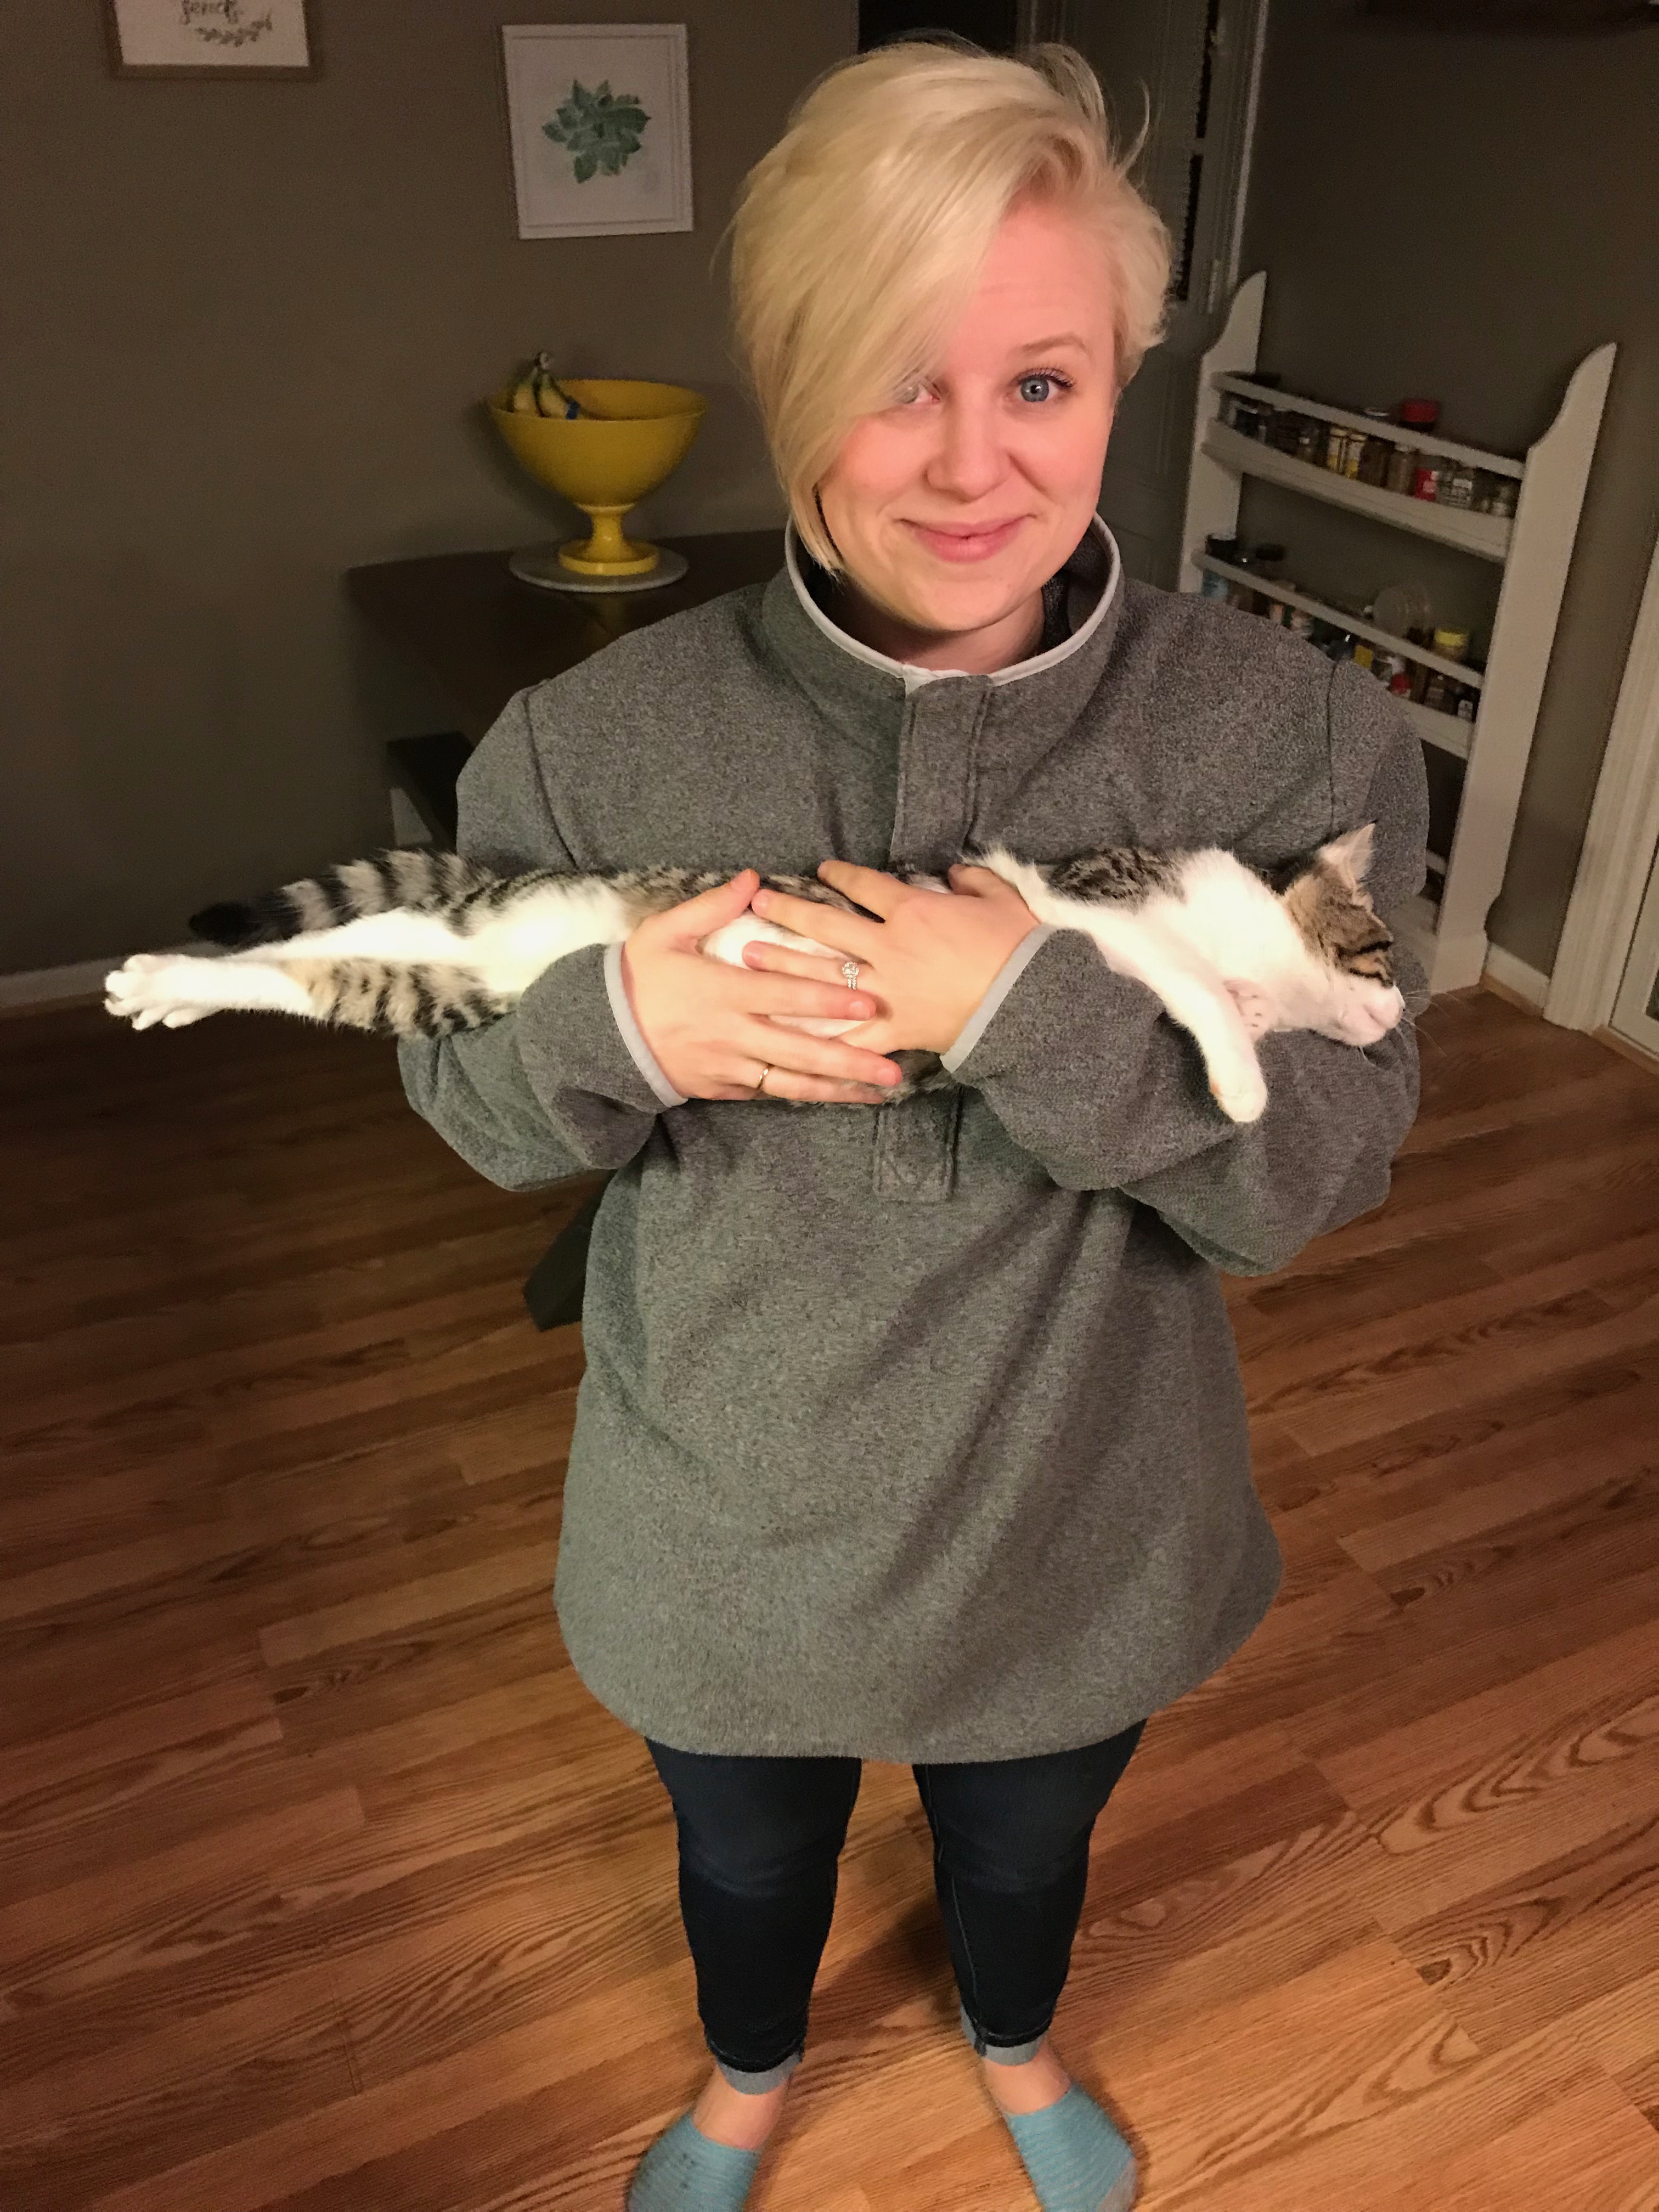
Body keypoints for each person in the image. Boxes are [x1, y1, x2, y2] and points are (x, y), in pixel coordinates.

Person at [398, 38, 1429, 2212]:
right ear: (787, 382)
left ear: (1121, 378)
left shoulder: (1298, 743)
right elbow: (470, 1105)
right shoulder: (581, 754)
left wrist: (1034, 1012)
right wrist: (621, 1022)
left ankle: (1013, 2033)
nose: (975, 467)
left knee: (1029, 1850)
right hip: (722, 1527)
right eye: (897, 381)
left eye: (1042, 382)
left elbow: (1315, 1170)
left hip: (1084, 1514)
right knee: (745, 1856)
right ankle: (750, 2074)